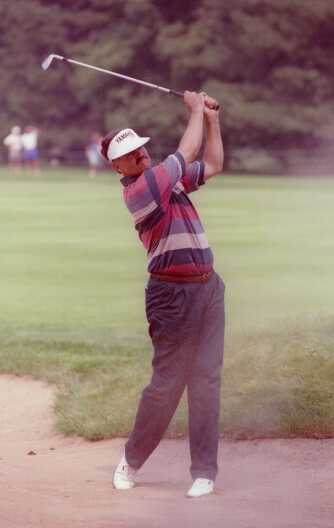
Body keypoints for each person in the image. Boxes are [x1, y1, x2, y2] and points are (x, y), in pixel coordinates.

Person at [101, 91, 225, 499]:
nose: (139, 155)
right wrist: (193, 112)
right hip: (171, 296)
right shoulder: (143, 190)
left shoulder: (169, 184)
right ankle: (131, 460)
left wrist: (211, 120)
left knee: (206, 381)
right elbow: (185, 150)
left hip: (208, 289)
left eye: (140, 148)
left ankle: (204, 472)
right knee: (167, 385)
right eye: (130, 154)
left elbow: (212, 163)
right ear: (117, 166)